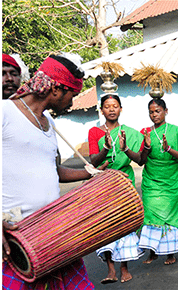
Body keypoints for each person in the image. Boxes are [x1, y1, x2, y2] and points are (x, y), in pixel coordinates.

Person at [2, 54, 98, 289]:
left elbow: (53, 171)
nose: (72, 103)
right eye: (72, 95)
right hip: (14, 237)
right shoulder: (4, 111)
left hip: (52, 232)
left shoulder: (49, 123)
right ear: (56, 89)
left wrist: (91, 174)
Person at [88, 93, 143, 283]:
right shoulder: (94, 132)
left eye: (115, 106)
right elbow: (93, 161)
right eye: (107, 106)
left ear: (121, 109)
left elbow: (140, 159)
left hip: (124, 181)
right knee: (106, 224)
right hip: (103, 183)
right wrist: (105, 147)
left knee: (124, 223)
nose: (111, 109)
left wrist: (125, 147)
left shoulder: (129, 132)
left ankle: (124, 268)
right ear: (101, 110)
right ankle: (110, 269)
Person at [138, 98, 178, 265]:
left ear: (166, 111)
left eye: (157, 111)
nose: (154, 115)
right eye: (151, 112)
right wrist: (146, 146)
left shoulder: (176, 131)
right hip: (152, 180)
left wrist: (168, 149)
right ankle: (152, 252)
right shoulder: (145, 132)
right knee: (151, 213)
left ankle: (170, 253)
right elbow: (141, 160)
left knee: (170, 216)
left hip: (171, 180)